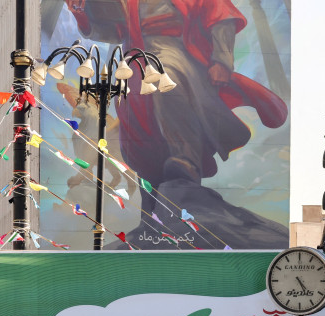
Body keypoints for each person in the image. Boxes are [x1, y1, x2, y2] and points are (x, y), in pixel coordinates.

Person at [63, 0, 288, 213]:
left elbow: (222, 16)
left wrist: (222, 60)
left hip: (174, 48)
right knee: (129, 105)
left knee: (166, 77)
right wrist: (81, 14)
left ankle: (185, 160)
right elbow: (116, 31)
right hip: (136, 56)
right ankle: (150, 178)